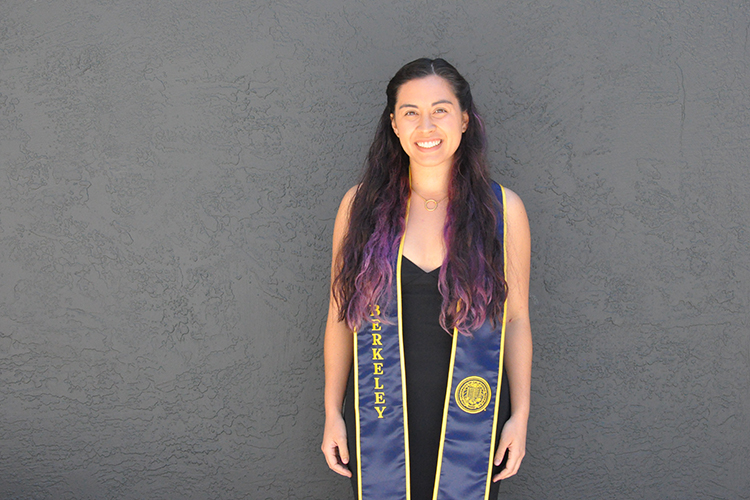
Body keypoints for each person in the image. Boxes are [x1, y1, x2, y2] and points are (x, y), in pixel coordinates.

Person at [321, 58, 532, 500]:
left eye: (440, 109)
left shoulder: (502, 211)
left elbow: (515, 320)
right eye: (411, 112)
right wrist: (331, 411)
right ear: (394, 125)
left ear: (464, 120)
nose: (426, 125)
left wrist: (520, 415)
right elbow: (341, 317)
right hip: (380, 407)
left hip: (471, 412)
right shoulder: (359, 207)